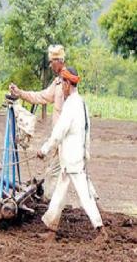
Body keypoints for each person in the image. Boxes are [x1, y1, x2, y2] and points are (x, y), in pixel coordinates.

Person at [36, 67, 107, 243]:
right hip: (73, 159)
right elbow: (87, 130)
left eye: (63, 84)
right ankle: (51, 231)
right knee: (59, 195)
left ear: (68, 83)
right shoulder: (81, 103)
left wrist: (44, 150)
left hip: (72, 161)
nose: (62, 88)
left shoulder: (71, 105)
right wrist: (86, 153)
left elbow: (59, 132)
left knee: (85, 196)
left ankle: (101, 231)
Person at [9, 44, 66, 200]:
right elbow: (41, 97)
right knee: (72, 175)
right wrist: (20, 93)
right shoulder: (58, 82)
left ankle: (49, 207)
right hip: (60, 140)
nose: (50, 65)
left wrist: (46, 148)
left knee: (55, 175)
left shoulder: (66, 84)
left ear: (59, 61)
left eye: (52, 62)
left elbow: (66, 118)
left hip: (65, 139)